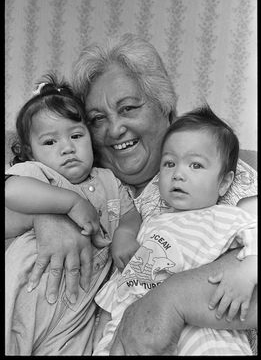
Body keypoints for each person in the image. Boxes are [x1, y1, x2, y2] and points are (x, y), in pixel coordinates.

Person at [5, 33, 257, 355]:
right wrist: (49, 212)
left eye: (128, 108)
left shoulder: (212, 171)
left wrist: (173, 299)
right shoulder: (85, 176)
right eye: (97, 119)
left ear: (166, 109)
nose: (114, 129)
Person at [92, 105, 257, 355]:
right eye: (169, 163)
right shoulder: (150, 224)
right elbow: (124, 282)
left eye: (196, 166)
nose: (178, 173)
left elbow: (255, 235)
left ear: (224, 182)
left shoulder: (227, 216)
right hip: (133, 327)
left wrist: (248, 270)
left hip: (204, 328)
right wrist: (103, 334)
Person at [5, 73, 141, 355]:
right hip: (25, 291)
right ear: (30, 152)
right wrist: (69, 202)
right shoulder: (37, 173)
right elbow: (10, 190)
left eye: (76, 136)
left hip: (78, 310)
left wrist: (126, 232)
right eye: (50, 142)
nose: (67, 148)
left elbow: (131, 211)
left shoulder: (109, 180)